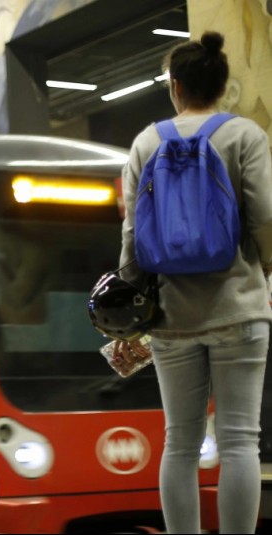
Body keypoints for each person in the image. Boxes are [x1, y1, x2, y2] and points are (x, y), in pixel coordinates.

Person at [114, 32, 272, 534]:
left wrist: (130, 304)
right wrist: (264, 269)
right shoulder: (245, 136)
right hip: (240, 308)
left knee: (180, 442)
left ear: (175, 87)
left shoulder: (146, 142)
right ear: (222, 86)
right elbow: (267, 217)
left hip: (172, 318)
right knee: (240, 440)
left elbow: (133, 236)